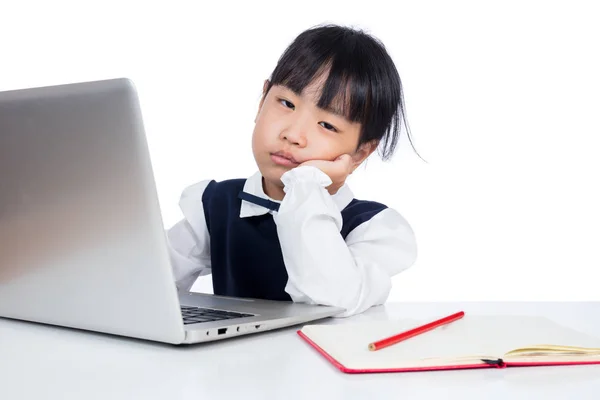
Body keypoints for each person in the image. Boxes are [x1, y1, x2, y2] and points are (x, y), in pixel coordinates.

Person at [166, 24, 417, 317]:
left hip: (322, 363)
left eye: (327, 125)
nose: (294, 134)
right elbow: (145, 280)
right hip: (229, 364)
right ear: (262, 100)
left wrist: (308, 184)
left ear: (360, 152)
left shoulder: (373, 229)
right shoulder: (215, 205)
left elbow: (330, 297)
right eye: (286, 103)